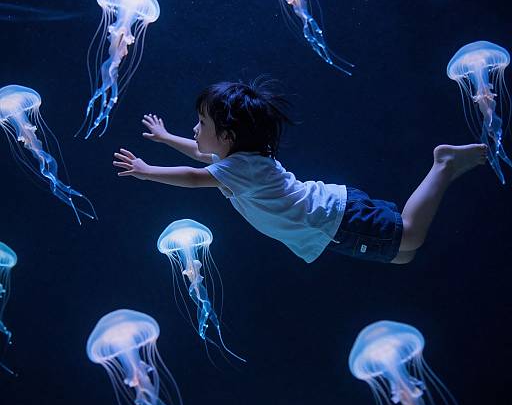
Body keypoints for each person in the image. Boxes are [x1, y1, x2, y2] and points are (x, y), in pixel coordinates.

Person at [113, 80, 487, 264]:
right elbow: (198, 153)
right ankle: (443, 167)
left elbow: (195, 177)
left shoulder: (240, 168)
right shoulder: (237, 160)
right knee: (401, 256)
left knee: (409, 237)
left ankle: (443, 163)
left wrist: (147, 171)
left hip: (335, 219)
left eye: (200, 122)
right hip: (331, 221)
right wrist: (164, 138)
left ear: (226, 136)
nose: (194, 129)